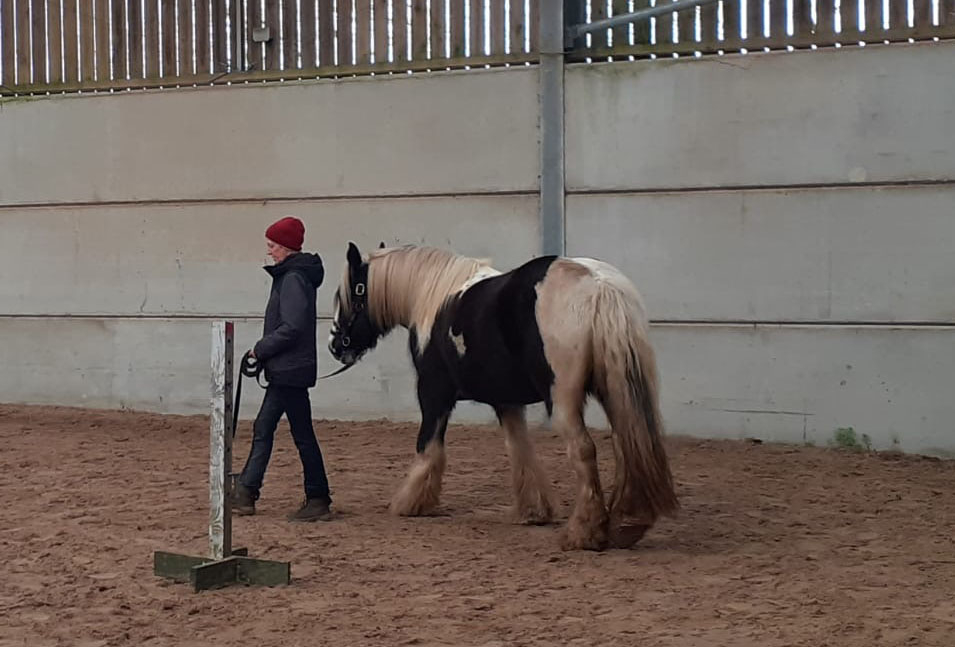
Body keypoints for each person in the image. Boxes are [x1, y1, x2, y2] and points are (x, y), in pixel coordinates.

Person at [233, 216, 333, 522]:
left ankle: (251, 492)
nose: (269, 251)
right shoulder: (294, 275)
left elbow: (292, 327)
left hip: (288, 369)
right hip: (289, 368)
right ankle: (250, 492)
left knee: (278, 430)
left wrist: (260, 349)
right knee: (277, 428)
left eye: (273, 245)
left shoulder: (292, 279)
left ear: (286, 246)